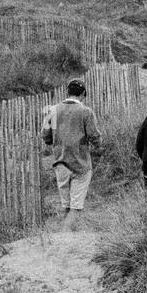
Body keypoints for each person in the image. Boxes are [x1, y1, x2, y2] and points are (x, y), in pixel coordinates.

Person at [41, 77, 102, 230]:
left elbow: (45, 134)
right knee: (76, 206)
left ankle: (63, 235)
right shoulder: (86, 112)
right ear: (83, 93)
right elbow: (95, 136)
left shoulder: (53, 110)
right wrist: (99, 148)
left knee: (66, 205)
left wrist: (53, 143)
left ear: (67, 92)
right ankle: (64, 237)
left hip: (60, 162)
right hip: (80, 163)